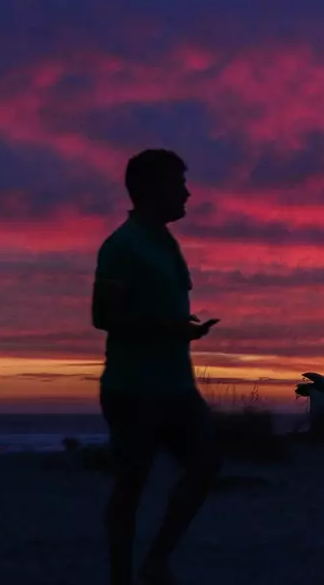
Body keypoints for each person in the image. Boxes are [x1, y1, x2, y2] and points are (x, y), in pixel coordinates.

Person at [92, 149, 223, 585]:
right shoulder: (121, 246)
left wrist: (178, 326)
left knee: (205, 464)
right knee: (131, 485)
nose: (187, 192)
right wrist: (165, 326)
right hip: (132, 389)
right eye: (177, 183)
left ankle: (155, 562)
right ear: (151, 189)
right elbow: (103, 316)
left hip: (176, 387)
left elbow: (155, 309)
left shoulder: (166, 242)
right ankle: (121, 577)